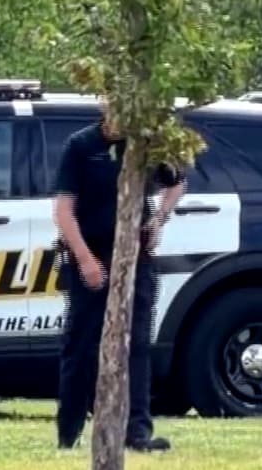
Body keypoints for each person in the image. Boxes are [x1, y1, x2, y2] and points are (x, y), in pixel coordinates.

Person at [52, 102, 187, 452]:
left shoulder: (145, 146)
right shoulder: (82, 146)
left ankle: (136, 433)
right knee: (81, 345)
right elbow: (64, 210)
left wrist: (157, 220)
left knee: (136, 343)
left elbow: (177, 182)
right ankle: (69, 433)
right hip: (91, 253)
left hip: (134, 256)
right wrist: (85, 260)